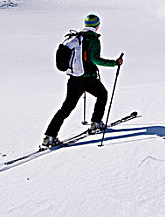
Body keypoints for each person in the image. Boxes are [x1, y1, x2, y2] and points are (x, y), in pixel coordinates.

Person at [42, 14, 123, 147]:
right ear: (97, 26)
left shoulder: (76, 38)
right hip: (89, 79)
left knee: (66, 108)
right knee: (102, 95)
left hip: (74, 80)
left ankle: (49, 136)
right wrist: (115, 63)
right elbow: (96, 59)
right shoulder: (93, 40)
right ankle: (96, 123)